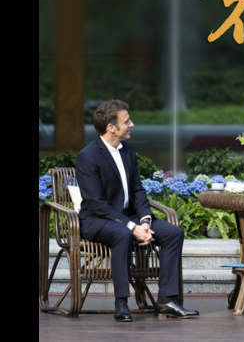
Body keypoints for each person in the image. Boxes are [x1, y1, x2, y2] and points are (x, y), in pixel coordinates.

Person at [76, 99, 198, 322]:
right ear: (111, 128)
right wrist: (132, 227)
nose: (131, 124)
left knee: (174, 233)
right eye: (126, 121)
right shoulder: (88, 156)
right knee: (122, 234)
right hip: (97, 219)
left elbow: (137, 190)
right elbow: (96, 203)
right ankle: (121, 303)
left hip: (128, 216)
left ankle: (166, 301)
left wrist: (145, 222)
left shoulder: (128, 150)